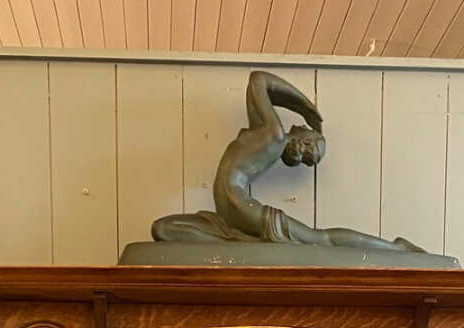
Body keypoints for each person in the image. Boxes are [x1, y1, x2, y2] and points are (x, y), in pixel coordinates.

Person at [152, 70, 427, 253]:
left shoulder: (272, 134)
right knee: (163, 229)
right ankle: (243, 244)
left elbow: (259, 80)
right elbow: (257, 79)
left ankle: (397, 248)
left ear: (303, 137)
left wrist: (304, 106)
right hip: (231, 216)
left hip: (245, 212)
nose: (306, 127)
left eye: (310, 154)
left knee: (321, 239)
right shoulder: (267, 135)